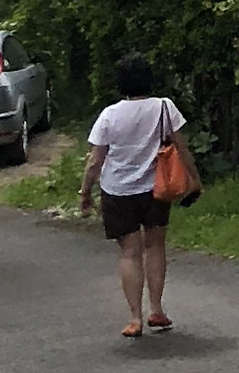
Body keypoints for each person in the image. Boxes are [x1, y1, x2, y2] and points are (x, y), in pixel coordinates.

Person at [78, 54, 184, 337]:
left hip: (117, 190)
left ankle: (135, 318)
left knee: (129, 252)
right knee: (155, 247)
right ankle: (157, 309)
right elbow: (182, 148)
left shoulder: (109, 115)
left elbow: (95, 160)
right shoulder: (164, 107)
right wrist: (194, 179)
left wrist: (85, 191)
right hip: (156, 189)